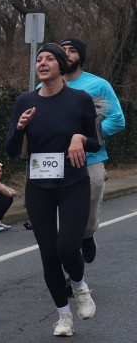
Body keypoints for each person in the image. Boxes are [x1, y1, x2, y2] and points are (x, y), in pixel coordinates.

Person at [5, 43, 100, 337]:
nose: (43, 63)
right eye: (39, 59)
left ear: (61, 65)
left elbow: (96, 141)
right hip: (39, 186)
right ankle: (63, 316)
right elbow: (11, 150)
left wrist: (79, 137)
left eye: (49, 59)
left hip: (73, 184)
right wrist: (20, 128)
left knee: (67, 247)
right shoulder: (25, 101)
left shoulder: (80, 99)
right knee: (48, 253)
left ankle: (79, 286)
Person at [59, 37, 126, 263]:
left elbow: (117, 120)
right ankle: (71, 268)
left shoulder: (98, 85)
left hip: (91, 159)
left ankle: (87, 236)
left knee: (87, 219)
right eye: (63, 50)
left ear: (81, 57)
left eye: (72, 50)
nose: (67, 54)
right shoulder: (44, 87)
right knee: (62, 223)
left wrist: (87, 139)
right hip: (58, 162)